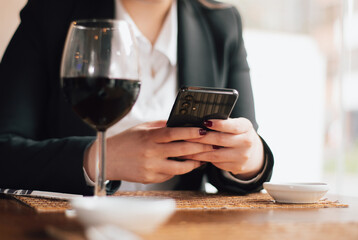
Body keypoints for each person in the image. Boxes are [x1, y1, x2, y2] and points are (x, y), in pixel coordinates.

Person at [0, 0, 274, 196]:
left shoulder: (222, 23)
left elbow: (244, 153)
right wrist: (100, 160)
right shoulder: (51, 13)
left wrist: (250, 161)